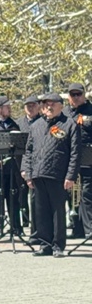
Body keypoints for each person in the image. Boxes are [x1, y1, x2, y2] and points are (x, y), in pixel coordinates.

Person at [22, 92, 79, 257]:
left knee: (57, 212)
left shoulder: (69, 124)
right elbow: (28, 151)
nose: (48, 106)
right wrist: (28, 172)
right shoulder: (36, 125)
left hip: (58, 175)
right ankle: (45, 244)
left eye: (52, 103)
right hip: (38, 174)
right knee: (41, 211)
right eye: (45, 104)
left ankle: (57, 246)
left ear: (61, 105)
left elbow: (75, 153)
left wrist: (70, 176)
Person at [0, 96, 25, 237]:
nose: (9, 109)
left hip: (12, 168)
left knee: (13, 198)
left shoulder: (13, 124)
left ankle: (16, 226)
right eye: (7, 107)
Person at [63, 83, 92, 240]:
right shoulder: (65, 113)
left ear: (84, 95)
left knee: (87, 195)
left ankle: (89, 229)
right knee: (72, 194)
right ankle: (77, 228)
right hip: (70, 160)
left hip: (88, 159)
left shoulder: (91, 111)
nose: (75, 98)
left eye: (78, 94)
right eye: (72, 95)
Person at [20, 96, 41, 231]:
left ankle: (36, 226)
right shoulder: (19, 123)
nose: (30, 108)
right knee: (21, 196)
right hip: (21, 163)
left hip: (37, 164)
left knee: (36, 198)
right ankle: (25, 221)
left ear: (38, 106)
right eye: (28, 105)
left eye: (33, 105)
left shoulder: (43, 121)